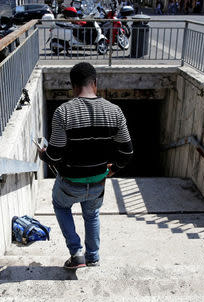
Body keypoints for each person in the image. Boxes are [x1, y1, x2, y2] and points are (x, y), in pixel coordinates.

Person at [39, 62, 133, 269]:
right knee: (92, 215)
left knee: (60, 205)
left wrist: (42, 155)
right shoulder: (115, 112)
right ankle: (93, 257)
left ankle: (76, 252)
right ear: (95, 83)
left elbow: (54, 156)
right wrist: (112, 169)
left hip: (70, 183)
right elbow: (127, 152)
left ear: (73, 86)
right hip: (98, 182)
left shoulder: (63, 113)